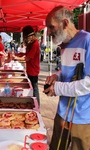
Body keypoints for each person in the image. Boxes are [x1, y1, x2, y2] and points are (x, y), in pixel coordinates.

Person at [43, 6, 90, 150]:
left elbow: (88, 83)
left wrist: (57, 88)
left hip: (82, 116)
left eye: (51, 27)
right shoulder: (63, 44)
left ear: (64, 23)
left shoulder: (87, 40)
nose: (49, 32)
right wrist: (56, 76)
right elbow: (66, 70)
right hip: (62, 112)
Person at [15, 25, 40, 106]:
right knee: (32, 88)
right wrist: (20, 54)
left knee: (34, 89)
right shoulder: (32, 43)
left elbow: (28, 58)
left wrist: (16, 58)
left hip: (33, 70)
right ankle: (34, 104)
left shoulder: (35, 44)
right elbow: (27, 55)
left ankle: (36, 106)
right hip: (30, 69)